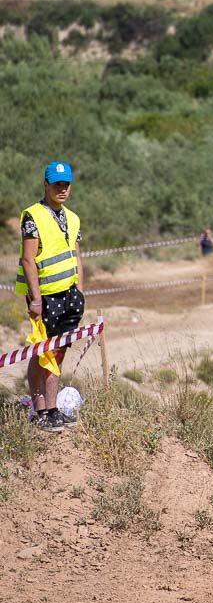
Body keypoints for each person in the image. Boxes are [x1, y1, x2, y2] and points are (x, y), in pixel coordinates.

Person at [16, 161, 85, 433]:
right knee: (43, 351)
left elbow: (77, 256)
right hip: (45, 296)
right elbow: (28, 260)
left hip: (69, 295)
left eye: (66, 184)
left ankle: (52, 407)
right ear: (46, 184)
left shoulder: (73, 217)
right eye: (57, 184)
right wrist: (35, 299)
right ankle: (41, 410)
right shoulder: (33, 216)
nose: (62, 189)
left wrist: (80, 291)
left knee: (57, 352)